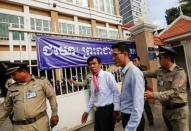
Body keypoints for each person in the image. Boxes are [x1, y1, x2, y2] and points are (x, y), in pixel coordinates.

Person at [0, 62, 59, 131]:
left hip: (40, 124)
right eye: (11, 75)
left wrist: (54, 113)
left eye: (13, 74)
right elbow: (6, 108)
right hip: (19, 127)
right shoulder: (12, 88)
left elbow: (51, 96)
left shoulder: (41, 82)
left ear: (24, 72)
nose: (12, 77)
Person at [144, 46, 189, 131]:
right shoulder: (161, 71)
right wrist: (135, 70)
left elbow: (174, 92)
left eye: (160, 58)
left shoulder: (179, 72)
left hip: (178, 111)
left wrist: (153, 95)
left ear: (167, 58)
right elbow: (148, 73)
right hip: (166, 110)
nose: (159, 61)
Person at [111, 42, 145, 131]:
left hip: (134, 120)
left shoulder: (134, 72)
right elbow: (128, 98)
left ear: (125, 54)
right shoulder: (125, 72)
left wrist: (130, 128)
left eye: (115, 55)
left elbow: (138, 106)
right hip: (127, 116)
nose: (113, 58)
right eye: (112, 55)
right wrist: (122, 113)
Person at [81, 56, 120, 131]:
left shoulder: (107, 76)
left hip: (108, 111)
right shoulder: (93, 79)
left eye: (94, 63)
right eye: (90, 64)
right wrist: (87, 111)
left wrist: (116, 109)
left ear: (100, 64)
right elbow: (93, 97)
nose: (92, 66)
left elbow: (116, 92)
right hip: (98, 112)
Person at [133, 56, 154, 126]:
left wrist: (136, 67)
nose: (134, 62)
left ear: (139, 61)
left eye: (135, 60)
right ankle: (141, 122)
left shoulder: (142, 67)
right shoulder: (132, 69)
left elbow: (143, 72)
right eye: (133, 61)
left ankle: (151, 120)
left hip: (143, 90)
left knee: (146, 106)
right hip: (136, 91)